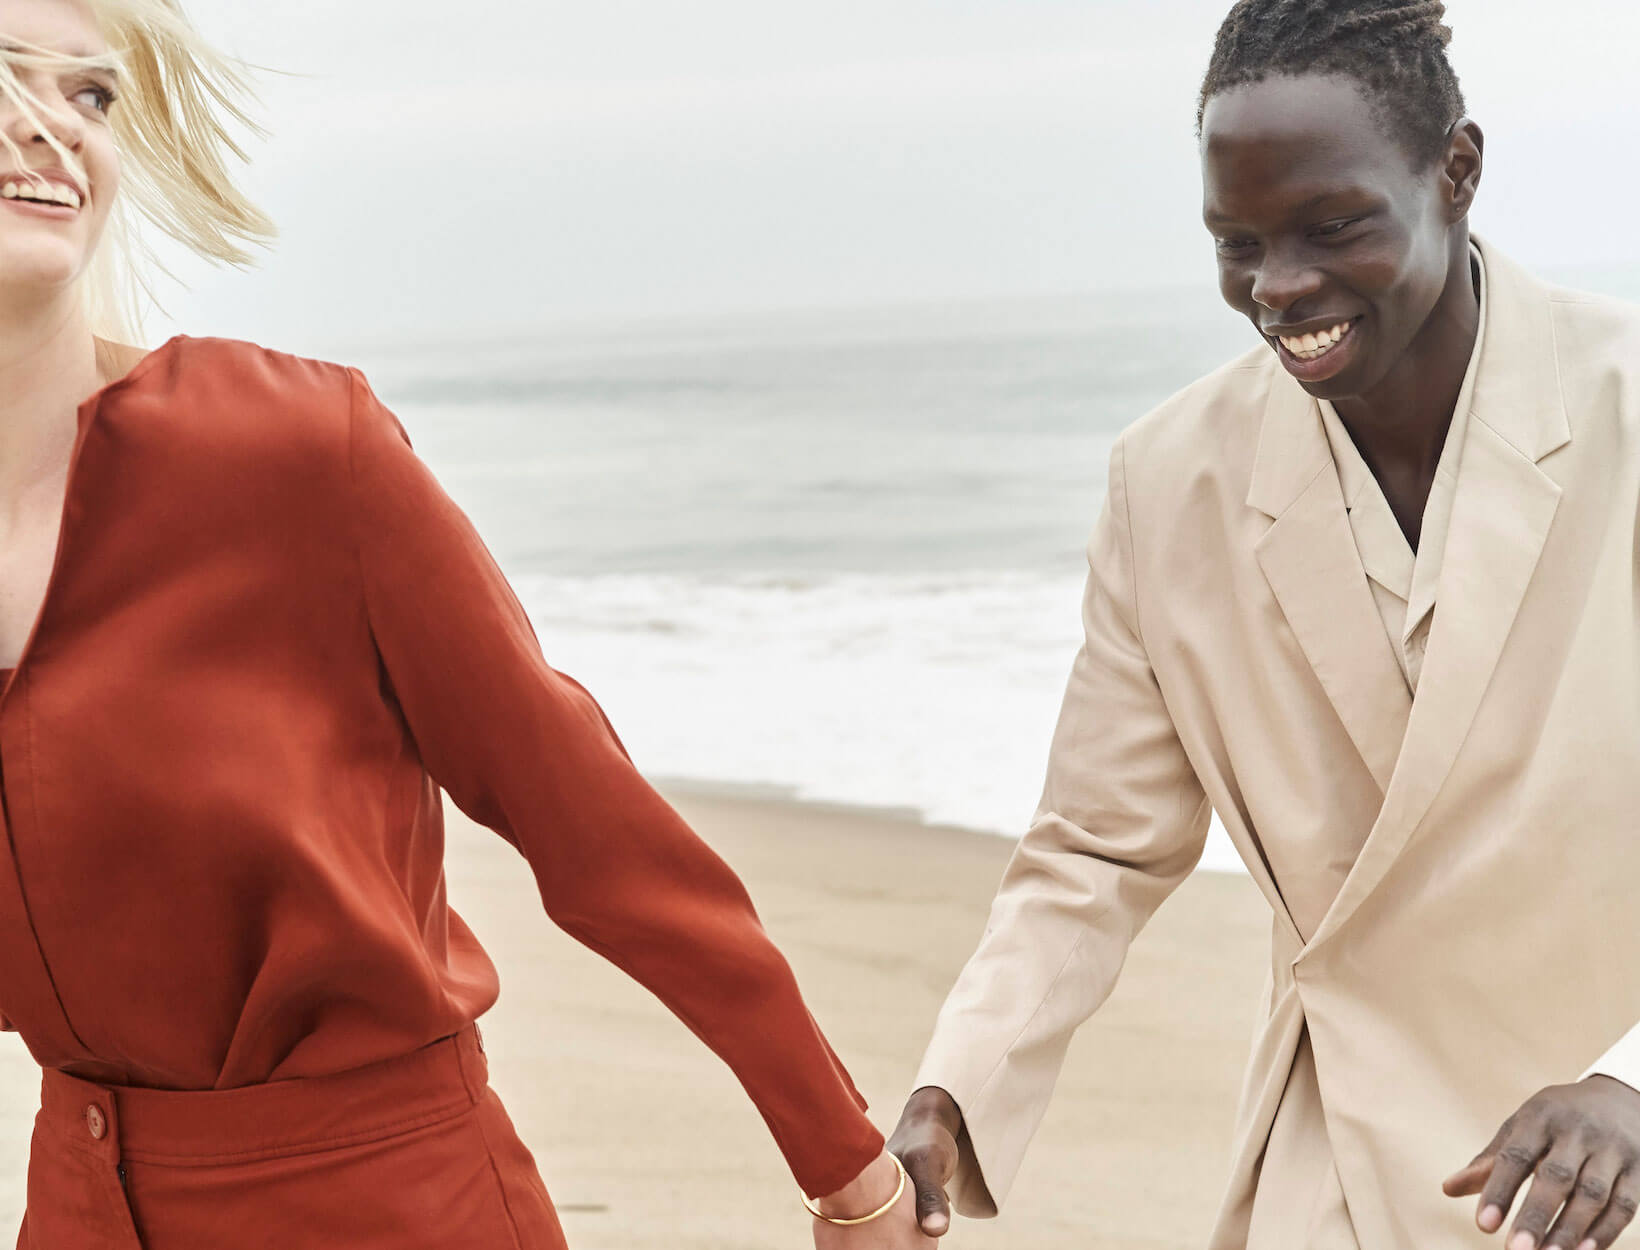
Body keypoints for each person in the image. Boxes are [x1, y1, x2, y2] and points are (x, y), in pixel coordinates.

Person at [0, 0, 917, 1245]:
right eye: (4, 78)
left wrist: (845, 1164)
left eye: (90, 95)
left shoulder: (292, 449)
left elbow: (583, 813)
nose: (49, 127)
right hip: (77, 1207)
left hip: (388, 1203)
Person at [879, 2, 1640, 1248]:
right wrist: (951, 1094)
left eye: (1330, 227)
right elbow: (1092, 850)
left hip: (1605, 1161)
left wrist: (1625, 1082)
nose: (1278, 288)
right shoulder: (1167, 479)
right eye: (1236, 244)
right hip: (1337, 1154)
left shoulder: (1620, 401)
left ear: (1455, 171)